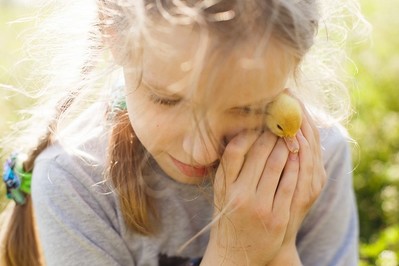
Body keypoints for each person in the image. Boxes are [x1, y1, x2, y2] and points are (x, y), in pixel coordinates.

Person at [0, 0, 367, 265]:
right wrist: (235, 255)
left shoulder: (315, 158)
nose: (201, 151)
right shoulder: (74, 182)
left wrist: (282, 248)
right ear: (113, 35)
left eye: (247, 108)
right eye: (165, 99)